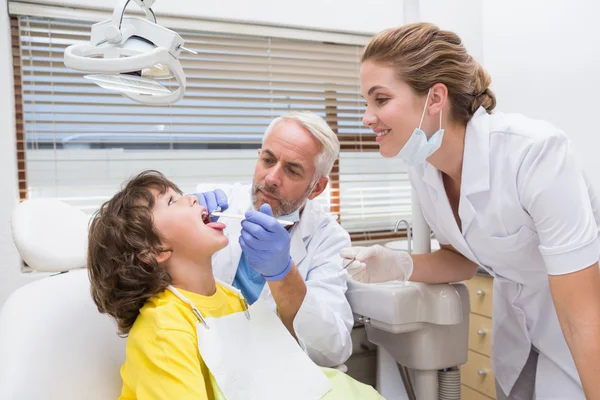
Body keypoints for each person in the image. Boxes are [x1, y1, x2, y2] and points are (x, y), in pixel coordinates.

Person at [341, 22, 600, 400]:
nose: (366, 117)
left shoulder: (535, 154)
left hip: (580, 330)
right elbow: (461, 260)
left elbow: (582, 318)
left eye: (380, 99)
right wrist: (399, 264)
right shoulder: (424, 166)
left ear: (435, 98)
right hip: (518, 332)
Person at [87, 170, 382, 400]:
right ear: (153, 252)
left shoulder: (229, 297)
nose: (194, 198)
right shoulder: (163, 329)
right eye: (173, 200)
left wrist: (283, 271)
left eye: (180, 193)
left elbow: (273, 372)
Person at [195, 112, 353, 367]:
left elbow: (333, 349)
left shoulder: (329, 239)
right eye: (268, 160)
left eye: (292, 170)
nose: (271, 179)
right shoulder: (212, 202)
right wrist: (169, 222)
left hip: (278, 371)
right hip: (208, 360)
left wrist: (283, 273)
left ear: (317, 188)